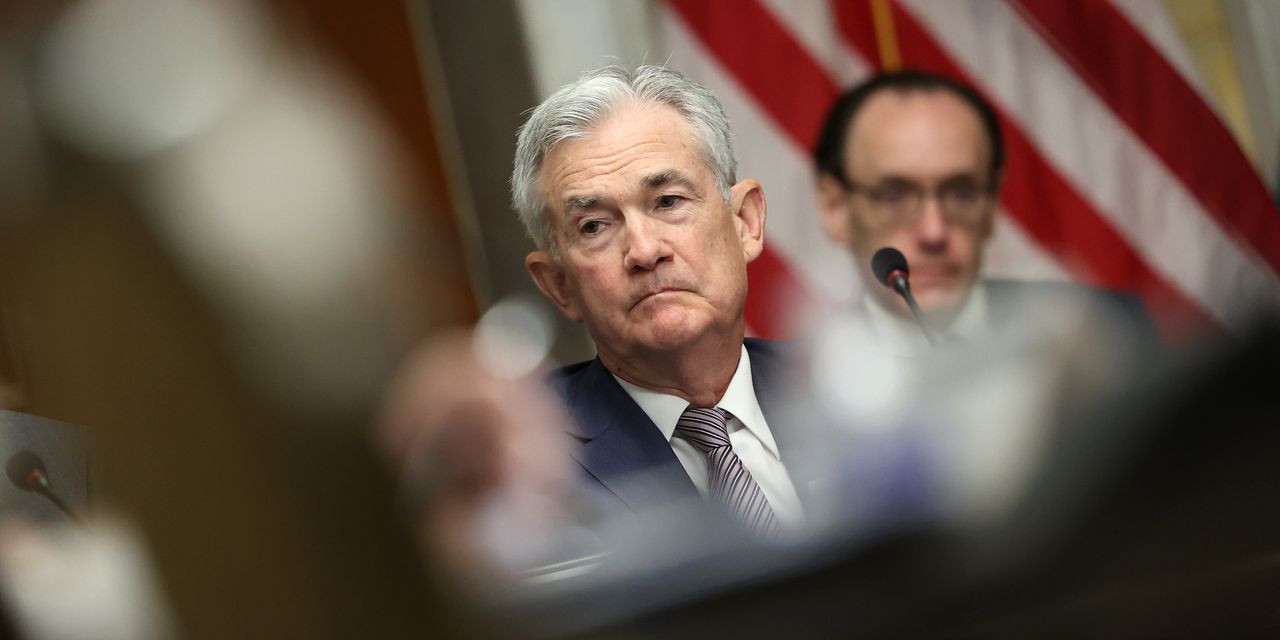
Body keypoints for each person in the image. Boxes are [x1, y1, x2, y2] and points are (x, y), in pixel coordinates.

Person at [510, 65, 805, 535]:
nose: (645, 251)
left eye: (668, 202)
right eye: (594, 226)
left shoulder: (845, 389)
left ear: (745, 223)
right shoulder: (528, 462)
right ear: (560, 286)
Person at [811, 70, 1154, 355]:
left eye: (961, 193)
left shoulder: (1107, 334)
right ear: (835, 207)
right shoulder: (788, 390)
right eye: (894, 196)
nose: (934, 232)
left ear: (991, 203)